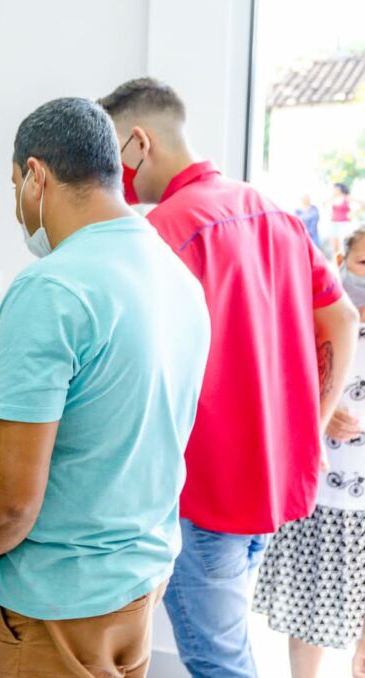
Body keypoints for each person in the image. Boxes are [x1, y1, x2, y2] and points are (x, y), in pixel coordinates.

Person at [0, 97, 211, 677]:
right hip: (138, 579)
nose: (17, 209)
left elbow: (9, 509)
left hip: (62, 598)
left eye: (14, 187)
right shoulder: (173, 272)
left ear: (37, 175)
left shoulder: (52, 290)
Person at [99, 77, 359, 678]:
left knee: (219, 662)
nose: (116, 175)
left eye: (115, 156)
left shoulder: (163, 232)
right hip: (270, 481)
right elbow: (342, 319)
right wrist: (314, 427)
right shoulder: (274, 212)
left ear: (139, 142)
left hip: (206, 491)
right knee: (227, 645)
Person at [253, 227, 365, 678]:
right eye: (363, 265)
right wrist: (324, 401)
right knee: (307, 617)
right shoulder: (319, 320)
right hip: (318, 497)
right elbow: (278, 378)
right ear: (342, 260)